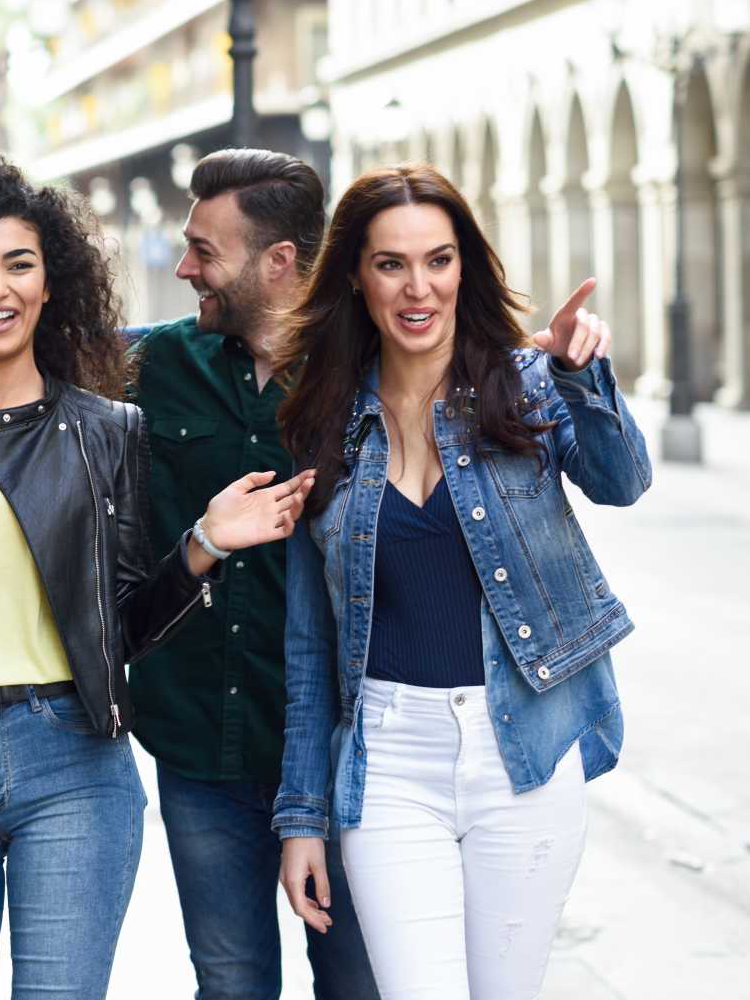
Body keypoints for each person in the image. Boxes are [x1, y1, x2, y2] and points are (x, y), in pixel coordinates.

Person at [0, 147, 315, 1000]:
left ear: (50, 286)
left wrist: (203, 543)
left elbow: (123, 624)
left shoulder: (109, 430)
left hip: (72, 762)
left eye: (18, 265)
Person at [273, 164, 651, 1000]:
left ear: (462, 269)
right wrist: (301, 818)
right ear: (355, 277)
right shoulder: (323, 421)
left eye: (438, 261)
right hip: (389, 754)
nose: (419, 287)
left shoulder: (525, 385)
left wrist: (584, 374)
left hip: (519, 745)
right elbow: (309, 642)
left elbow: (622, 480)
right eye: (391, 264)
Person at [126, 148, 377, 1000]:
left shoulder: (369, 375)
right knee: (228, 984)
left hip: (341, 753)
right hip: (201, 745)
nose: (183, 266)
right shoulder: (155, 364)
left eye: (204, 250)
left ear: (280, 262)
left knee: (358, 983)